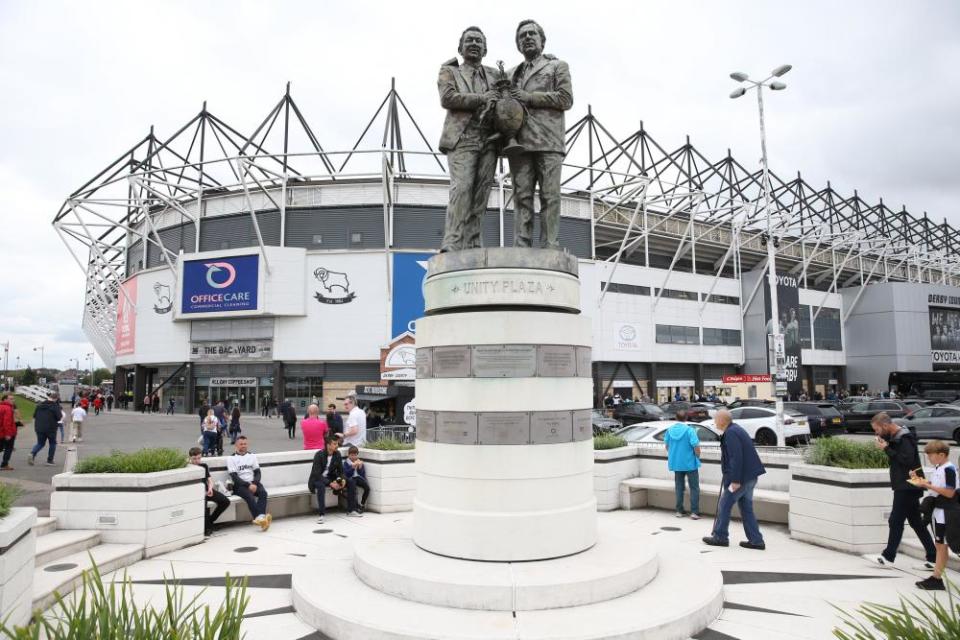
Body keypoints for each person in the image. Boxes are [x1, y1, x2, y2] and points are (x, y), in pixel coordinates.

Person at [507, 19, 573, 250]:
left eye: (531, 34)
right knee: (521, 197)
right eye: (522, 35)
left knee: (549, 196)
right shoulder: (510, 73)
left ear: (542, 40)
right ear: (518, 44)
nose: (527, 38)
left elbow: (565, 99)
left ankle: (549, 246)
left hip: (548, 141)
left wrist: (530, 97)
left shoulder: (557, 66)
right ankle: (521, 246)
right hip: (519, 145)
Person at [436, 25, 499, 252]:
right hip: (463, 138)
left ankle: (473, 242)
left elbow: (516, 83)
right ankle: (452, 241)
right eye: (469, 40)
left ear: (485, 49)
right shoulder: (449, 71)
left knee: (482, 193)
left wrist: (545, 57)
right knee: (462, 188)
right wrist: (482, 99)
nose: (474, 44)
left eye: (478, 41)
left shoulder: (495, 75)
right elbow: (448, 98)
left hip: (490, 140)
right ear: (460, 47)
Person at [868, 412, 937, 569]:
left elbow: (906, 460)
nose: (876, 433)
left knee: (895, 520)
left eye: (877, 429)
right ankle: (933, 557)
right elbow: (897, 454)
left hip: (908, 485)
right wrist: (885, 443)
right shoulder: (897, 436)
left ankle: (888, 557)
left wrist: (886, 448)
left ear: (885, 426)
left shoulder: (904, 437)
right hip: (905, 485)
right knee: (916, 522)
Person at [703, 409, 766, 549]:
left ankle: (720, 537)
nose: (714, 422)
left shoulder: (731, 433)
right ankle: (756, 540)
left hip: (740, 480)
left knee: (724, 504)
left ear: (722, 420)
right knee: (746, 508)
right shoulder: (736, 429)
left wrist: (735, 480)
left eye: (716, 419)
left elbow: (736, 458)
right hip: (749, 477)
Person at [909, 440, 957, 590]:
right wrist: (920, 481)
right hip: (939, 512)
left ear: (941, 455)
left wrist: (926, 485)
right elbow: (939, 486)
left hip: (946, 512)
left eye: (931, 456)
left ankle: (936, 578)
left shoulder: (949, 469)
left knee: (942, 545)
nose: (929, 459)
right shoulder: (939, 467)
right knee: (940, 545)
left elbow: (950, 492)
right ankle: (936, 577)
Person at [227, 436, 271, 530]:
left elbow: (258, 472)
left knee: (263, 493)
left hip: (253, 483)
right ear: (236, 445)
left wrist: (254, 483)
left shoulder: (252, 456)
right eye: (241, 444)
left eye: (245, 444)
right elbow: (234, 477)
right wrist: (248, 485)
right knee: (250, 497)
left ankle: (260, 518)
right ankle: (261, 518)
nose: (243, 446)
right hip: (240, 485)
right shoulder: (231, 458)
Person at [664, 410, 701, 520]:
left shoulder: (669, 430)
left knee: (679, 487)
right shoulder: (690, 430)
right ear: (686, 418)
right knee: (694, 487)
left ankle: (679, 511)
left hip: (676, 463)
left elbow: (667, 446)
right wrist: (697, 456)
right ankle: (694, 512)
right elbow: (696, 447)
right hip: (690, 463)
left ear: (676, 418)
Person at [307, 436, 353, 523]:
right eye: (334, 444)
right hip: (317, 479)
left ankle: (351, 510)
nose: (337, 445)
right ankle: (321, 515)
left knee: (350, 481)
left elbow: (341, 471)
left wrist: (342, 480)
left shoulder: (337, 454)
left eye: (337, 443)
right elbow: (316, 474)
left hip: (329, 477)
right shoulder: (319, 455)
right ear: (328, 445)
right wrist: (331, 483)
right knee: (321, 486)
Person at [189, 446, 230, 537]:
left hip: (207, 491)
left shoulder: (204, 466)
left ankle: (210, 521)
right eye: (194, 459)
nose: (197, 461)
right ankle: (207, 528)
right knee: (204, 506)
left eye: (199, 458)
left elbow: (210, 480)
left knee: (225, 501)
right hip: (196, 493)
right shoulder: (188, 468)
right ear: (190, 458)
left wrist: (210, 488)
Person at [29, 392, 63, 467]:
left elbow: (34, 416)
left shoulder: (39, 405)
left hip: (39, 428)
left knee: (40, 443)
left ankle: (32, 453)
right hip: (51, 428)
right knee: (52, 443)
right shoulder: (55, 406)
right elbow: (59, 417)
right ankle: (49, 460)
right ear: (56, 398)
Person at [343, 445, 370, 515]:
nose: (353, 457)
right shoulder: (346, 463)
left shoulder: (359, 461)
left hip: (358, 478)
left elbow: (362, 475)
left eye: (355, 455)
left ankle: (362, 504)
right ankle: (354, 507)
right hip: (351, 478)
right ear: (348, 455)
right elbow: (347, 474)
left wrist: (360, 468)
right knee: (353, 489)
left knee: (367, 488)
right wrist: (352, 467)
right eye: (352, 455)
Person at [0, 393, 17, 470]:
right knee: (8, 448)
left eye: (13, 398)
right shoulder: (8, 408)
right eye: (11, 399)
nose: (13, 400)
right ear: (5, 399)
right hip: (6, 433)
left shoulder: (1, 406)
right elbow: (7, 422)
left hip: (2, 432)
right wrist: (8, 434)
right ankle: (4, 464)